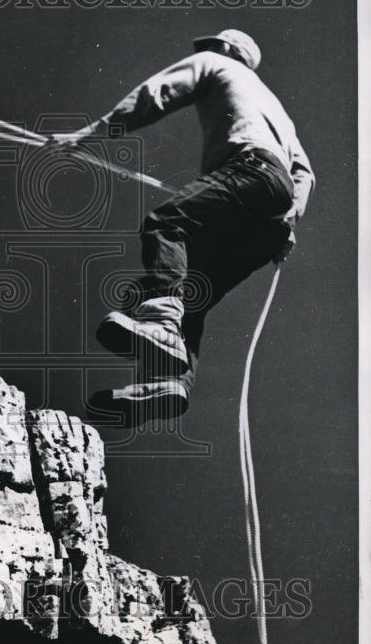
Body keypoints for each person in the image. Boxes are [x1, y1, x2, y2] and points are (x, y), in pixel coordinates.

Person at [52, 29, 315, 426]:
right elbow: (304, 173)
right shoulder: (280, 113)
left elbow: (156, 94)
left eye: (212, 46)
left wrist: (90, 134)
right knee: (193, 291)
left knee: (167, 223)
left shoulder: (217, 63)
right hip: (271, 205)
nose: (204, 51)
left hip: (249, 168)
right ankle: (167, 382)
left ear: (227, 49)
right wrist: (288, 222)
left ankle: (161, 324)